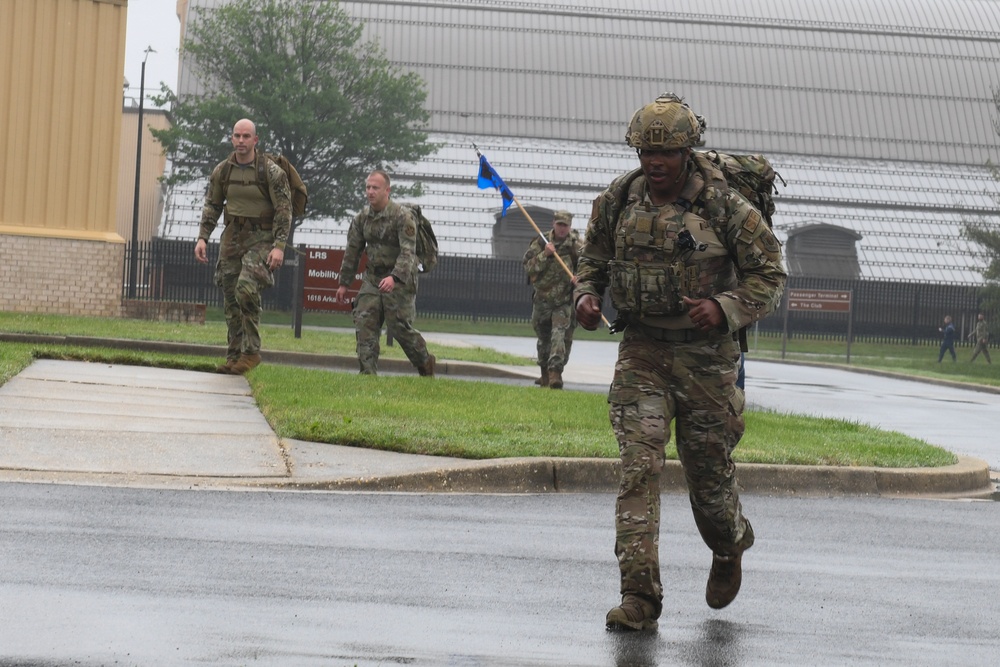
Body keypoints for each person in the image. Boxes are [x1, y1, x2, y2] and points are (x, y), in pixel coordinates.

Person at [574, 93, 786, 631]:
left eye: (666, 154)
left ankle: (729, 543)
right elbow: (592, 259)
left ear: (688, 152)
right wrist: (585, 295)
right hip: (642, 351)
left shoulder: (725, 207)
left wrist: (724, 307)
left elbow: (770, 276)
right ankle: (640, 597)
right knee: (637, 468)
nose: (656, 163)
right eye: (647, 153)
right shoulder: (619, 199)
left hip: (707, 361)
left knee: (708, 482)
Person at [195, 118, 290, 375]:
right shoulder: (223, 171)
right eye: (237, 135)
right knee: (230, 296)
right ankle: (234, 356)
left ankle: (252, 352)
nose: (241, 141)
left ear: (255, 140)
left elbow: (283, 211)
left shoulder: (271, 172)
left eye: (246, 136)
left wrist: (279, 245)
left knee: (246, 288)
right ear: (232, 138)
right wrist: (203, 237)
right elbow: (213, 205)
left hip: (261, 239)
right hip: (232, 238)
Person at [335, 170, 435, 377]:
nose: (370, 192)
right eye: (368, 187)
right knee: (364, 322)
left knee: (399, 327)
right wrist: (344, 284)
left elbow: (409, 253)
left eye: (375, 188)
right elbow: (352, 251)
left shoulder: (402, 217)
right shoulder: (362, 219)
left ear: (387, 190)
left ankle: (424, 361)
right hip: (373, 278)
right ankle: (368, 374)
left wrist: (395, 277)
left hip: (400, 278)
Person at [522, 210, 583, 389]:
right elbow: (528, 267)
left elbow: (588, 267)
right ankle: (544, 374)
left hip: (563, 301)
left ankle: (555, 373)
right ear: (553, 224)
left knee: (560, 334)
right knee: (543, 339)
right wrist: (545, 255)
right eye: (560, 225)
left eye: (565, 226)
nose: (562, 229)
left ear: (570, 227)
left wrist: (579, 278)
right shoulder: (541, 243)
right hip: (542, 300)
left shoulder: (576, 246)